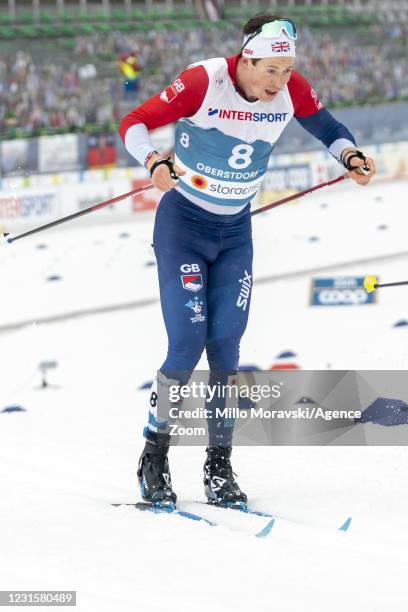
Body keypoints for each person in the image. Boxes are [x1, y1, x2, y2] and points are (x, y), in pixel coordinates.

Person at [118, 13, 376, 508]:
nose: (281, 83)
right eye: (271, 71)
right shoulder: (205, 80)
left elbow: (327, 126)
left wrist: (349, 156)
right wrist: (153, 161)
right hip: (184, 228)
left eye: (287, 71)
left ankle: (219, 465)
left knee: (225, 348)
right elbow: (134, 122)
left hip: (235, 232)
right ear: (246, 59)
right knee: (187, 342)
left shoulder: (291, 86)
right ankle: (155, 456)